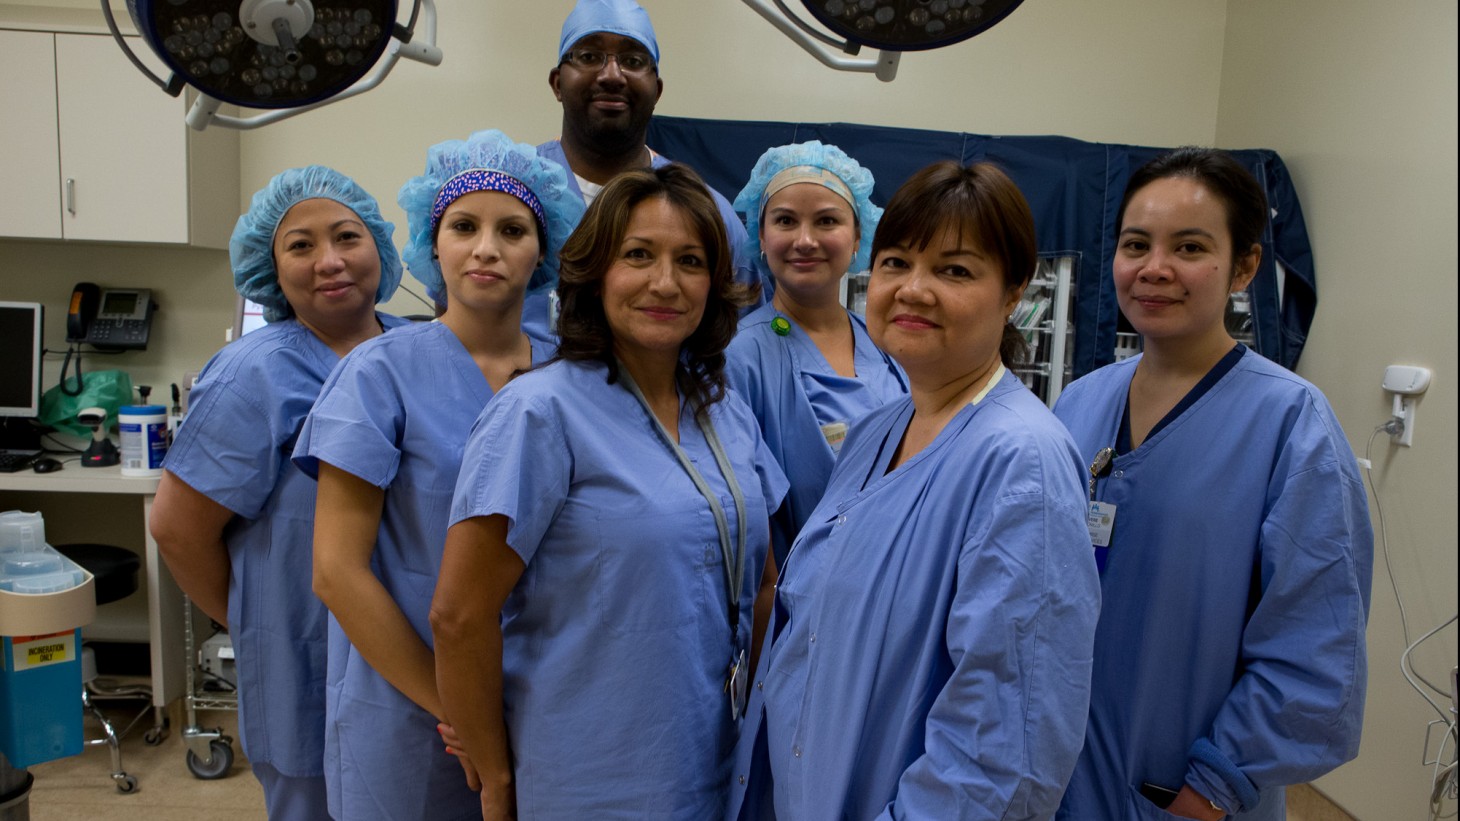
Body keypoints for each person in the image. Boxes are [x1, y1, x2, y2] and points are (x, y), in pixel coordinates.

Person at [726, 161, 1101, 821]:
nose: (914, 290)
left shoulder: (1021, 462)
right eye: (897, 262)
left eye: (955, 270)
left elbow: (1006, 748)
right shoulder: (880, 428)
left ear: (1014, 291)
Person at [431, 163, 788, 820]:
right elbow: (459, 615)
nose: (665, 282)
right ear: (595, 273)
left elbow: (762, 578)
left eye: (691, 260)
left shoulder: (725, 410)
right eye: (638, 255)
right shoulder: (540, 414)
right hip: (593, 773)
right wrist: (498, 781)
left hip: (719, 757)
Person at [1052, 147, 1373, 821]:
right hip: (1056, 776)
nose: (1155, 268)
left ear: (1246, 266)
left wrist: (1210, 791)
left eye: (1190, 246)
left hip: (1186, 793)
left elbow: (1315, 649)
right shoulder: (1078, 405)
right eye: (1136, 243)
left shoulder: (1292, 424)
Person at [291, 130, 583, 821]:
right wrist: (459, 708)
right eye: (464, 226)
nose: (486, 247)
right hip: (413, 712)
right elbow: (336, 570)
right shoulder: (378, 373)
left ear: (543, 249)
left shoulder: (569, 376)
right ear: (434, 242)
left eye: (513, 229)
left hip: (540, 698)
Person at [149, 166, 406, 820]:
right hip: (305, 660)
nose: (329, 260)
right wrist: (260, 621)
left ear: (380, 244)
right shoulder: (254, 373)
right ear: (272, 267)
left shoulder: (421, 351)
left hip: (409, 651)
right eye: (300, 245)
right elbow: (177, 529)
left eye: (347, 236)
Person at [525, 0, 763, 340]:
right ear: (557, 83)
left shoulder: (708, 214)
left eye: (633, 61)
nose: (611, 75)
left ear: (657, 90)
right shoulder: (512, 197)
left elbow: (745, 347)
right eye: (589, 56)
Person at [726, 141, 907, 564]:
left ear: (859, 234)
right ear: (760, 235)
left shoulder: (888, 345)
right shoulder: (740, 358)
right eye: (786, 220)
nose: (805, 241)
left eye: (827, 221)